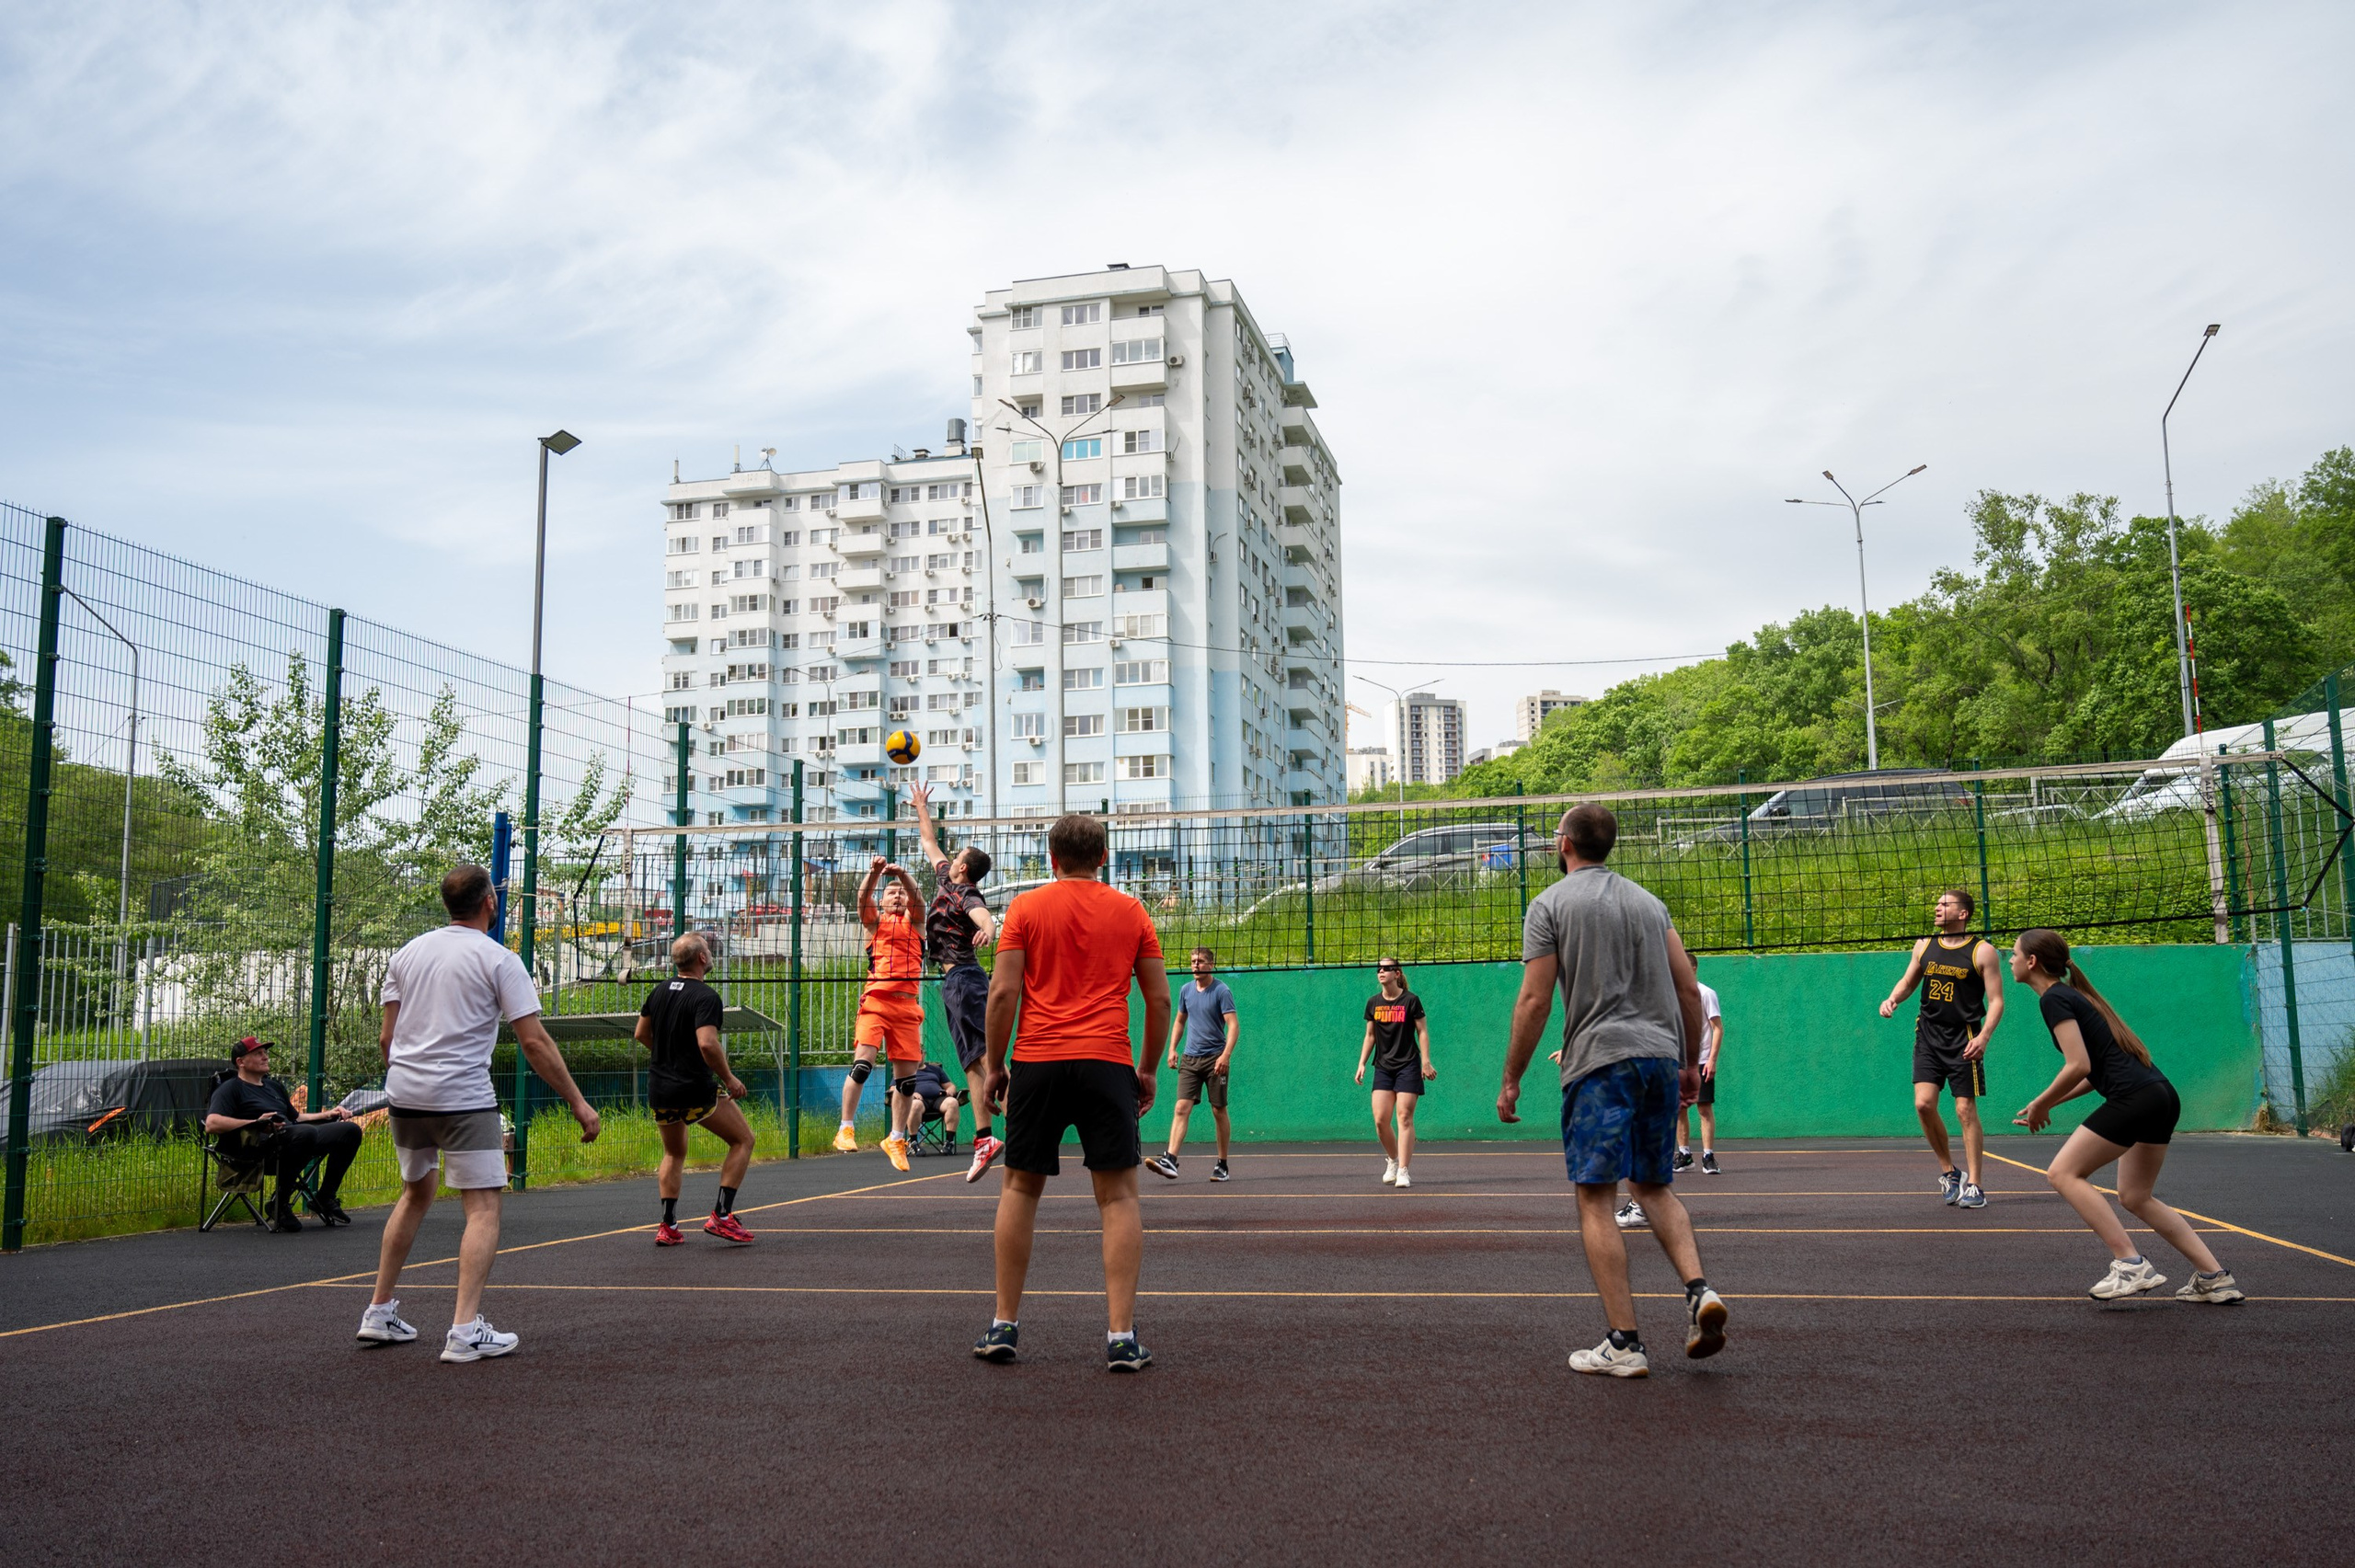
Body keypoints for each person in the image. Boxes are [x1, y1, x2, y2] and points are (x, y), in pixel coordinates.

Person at [1499, 804, 1728, 1378]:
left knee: (1596, 1198)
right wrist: (1689, 1063)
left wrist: (1512, 1077)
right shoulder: (1650, 904)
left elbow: (1535, 999)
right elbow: (1687, 989)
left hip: (1600, 1063)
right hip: (1659, 1059)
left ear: (1565, 844)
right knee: (1652, 1187)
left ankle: (1624, 1343)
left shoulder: (1549, 904)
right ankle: (1699, 1290)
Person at [360, 864, 600, 1362]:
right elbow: (534, 1042)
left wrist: (410, 1081)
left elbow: (387, 1039)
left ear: (447, 904)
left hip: (404, 1092)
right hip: (462, 1096)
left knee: (415, 1192)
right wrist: (578, 1103)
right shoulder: (500, 959)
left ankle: (378, 1312)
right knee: (483, 1206)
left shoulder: (406, 954)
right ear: (490, 902)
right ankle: (465, 1329)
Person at [972, 812, 1172, 1371]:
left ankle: (1003, 1327)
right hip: (1107, 1062)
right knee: (1119, 1197)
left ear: (1052, 859)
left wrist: (995, 1067)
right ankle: (1121, 1338)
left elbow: (1002, 993)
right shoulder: (1131, 911)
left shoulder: (1026, 908)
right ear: (1103, 858)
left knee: (1019, 1188)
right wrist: (1148, 1069)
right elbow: (1159, 1000)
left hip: (1037, 1062)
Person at [2010, 928, 2243, 1303]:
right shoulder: (2074, 996)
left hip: (2135, 1097)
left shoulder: (2054, 998)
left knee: (2062, 1173)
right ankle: (2214, 1278)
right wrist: (2051, 1103)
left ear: (2032, 961)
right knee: (2136, 1196)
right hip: (2159, 1094)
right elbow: (2094, 1072)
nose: (2011, 960)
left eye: (2015, 954)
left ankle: (2130, 1264)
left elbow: (2078, 1064)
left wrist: (2041, 1103)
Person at [1878, 889, 2005, 1210]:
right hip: (1928, 1036)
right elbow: (1908, 982)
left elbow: (1996, 1001)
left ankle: (1976, 1185)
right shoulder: (1924, 946)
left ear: (1963, 914)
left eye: (1945, 904)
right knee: (1923, 1105)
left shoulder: (1982, 951)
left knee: (1965, 1110)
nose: (1937, 908)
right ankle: (1950, 1172)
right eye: (1937, 904)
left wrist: (1984, 1038)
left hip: (1964, 1038)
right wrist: (1893, 998)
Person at [635, 933, 757, 1246]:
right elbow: (707, 1043)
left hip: (661, 1088)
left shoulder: (658, 991)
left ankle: (668, 1226)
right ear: (702, 958)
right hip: (693, 1088)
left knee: (673, 1153)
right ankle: (722, 1216)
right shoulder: (706, 996)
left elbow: (641, 1034)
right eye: (708, 950)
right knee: (743, 1140)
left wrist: (670, 1058)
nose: (711, 953)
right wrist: (729, 1079)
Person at [909, 782, 1002, 1182]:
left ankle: (1028, 1129)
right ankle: (984, 1139)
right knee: (971, 1063)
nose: (952, 856)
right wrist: (921, 807)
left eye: (958, 855)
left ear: (963, 867)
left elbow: (984, 916)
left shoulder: (965, 893)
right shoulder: (946, 880)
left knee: (986, 1060)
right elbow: (929, 842)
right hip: (953, 985)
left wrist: (990, 929)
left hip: (966, 980)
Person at [202, 1036, 362, 1230]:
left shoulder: (274, 1086)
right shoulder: (230, 1088)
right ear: (241, 1062)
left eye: (265, 1053)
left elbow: (296, 1118)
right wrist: (257, 1123)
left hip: (295, 1140)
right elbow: (212, 1123)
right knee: (305, 1133)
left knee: (350, 1131)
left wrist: (329, 1113)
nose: (265, 1057)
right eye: (258, 1053)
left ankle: (325, 1197)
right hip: (258, 1150)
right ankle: (280, 1203)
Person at [835, 855, 925, 1170]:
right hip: (876, 1001)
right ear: (883, 901)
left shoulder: (916, 923)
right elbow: (862, 898)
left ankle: (896, 1139)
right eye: (891, 892)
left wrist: (903, 874)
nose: (897, 896)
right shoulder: (874, 923)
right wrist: (875, 873)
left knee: (907, 1083)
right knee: (863, 1066)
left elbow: (918, 899)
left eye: (901, 892)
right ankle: (846, 1129)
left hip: (907, 1005)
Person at [1149, 946, 1236, 1183]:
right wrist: (1172, 1049)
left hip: (1215, 1059)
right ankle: (1170, 1159)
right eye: (1193, 961)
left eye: (1200, 961)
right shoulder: (1186, 990)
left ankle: (1222, 1165)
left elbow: (1233, 1025)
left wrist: (1225, 1055)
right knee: (1181, 1108)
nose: (1195, 965)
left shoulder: (1221, 991)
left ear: (1211, 965)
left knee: (1218, 1110)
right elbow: (1180, 1021)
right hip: (1190, 1059)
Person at [1354, 958, 1434, 1188]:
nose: (1381, 971)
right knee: (1381, 1120)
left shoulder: (1411, 1000)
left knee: (1404, 1117)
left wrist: (1426, 1062)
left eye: (1386, 968)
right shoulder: (1373, 1003)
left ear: (1397, 973)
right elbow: (1370, 1035)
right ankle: (1392, 1159)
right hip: (1383, 1067)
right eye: (1378, 968)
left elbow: (1422, 1032)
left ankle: (1403, 1170)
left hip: (1408, 1065)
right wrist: (1362, 1063)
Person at [1676, 982, 1726, 1173]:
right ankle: (1685, 1156)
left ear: (1694, 969)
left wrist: (1712, 1060)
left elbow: (1717, 1028)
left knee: (1704, 1109)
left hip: (1702, 1061)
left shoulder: (1706, 994)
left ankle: (1708, 1157)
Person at [902, 1060, 962, 1150]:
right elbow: (893, 1089)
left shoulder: (935, 1069)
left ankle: (949, 1142)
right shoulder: (904, 1070)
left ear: (924, 1054)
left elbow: (950, 1086)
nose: (919, 1056)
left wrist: (950, 1090)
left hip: (938, 1100)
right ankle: (914, 1142)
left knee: (953, 1102)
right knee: (915, 1105)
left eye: (921, 1053)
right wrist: (911, 1094)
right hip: (918, 1101)